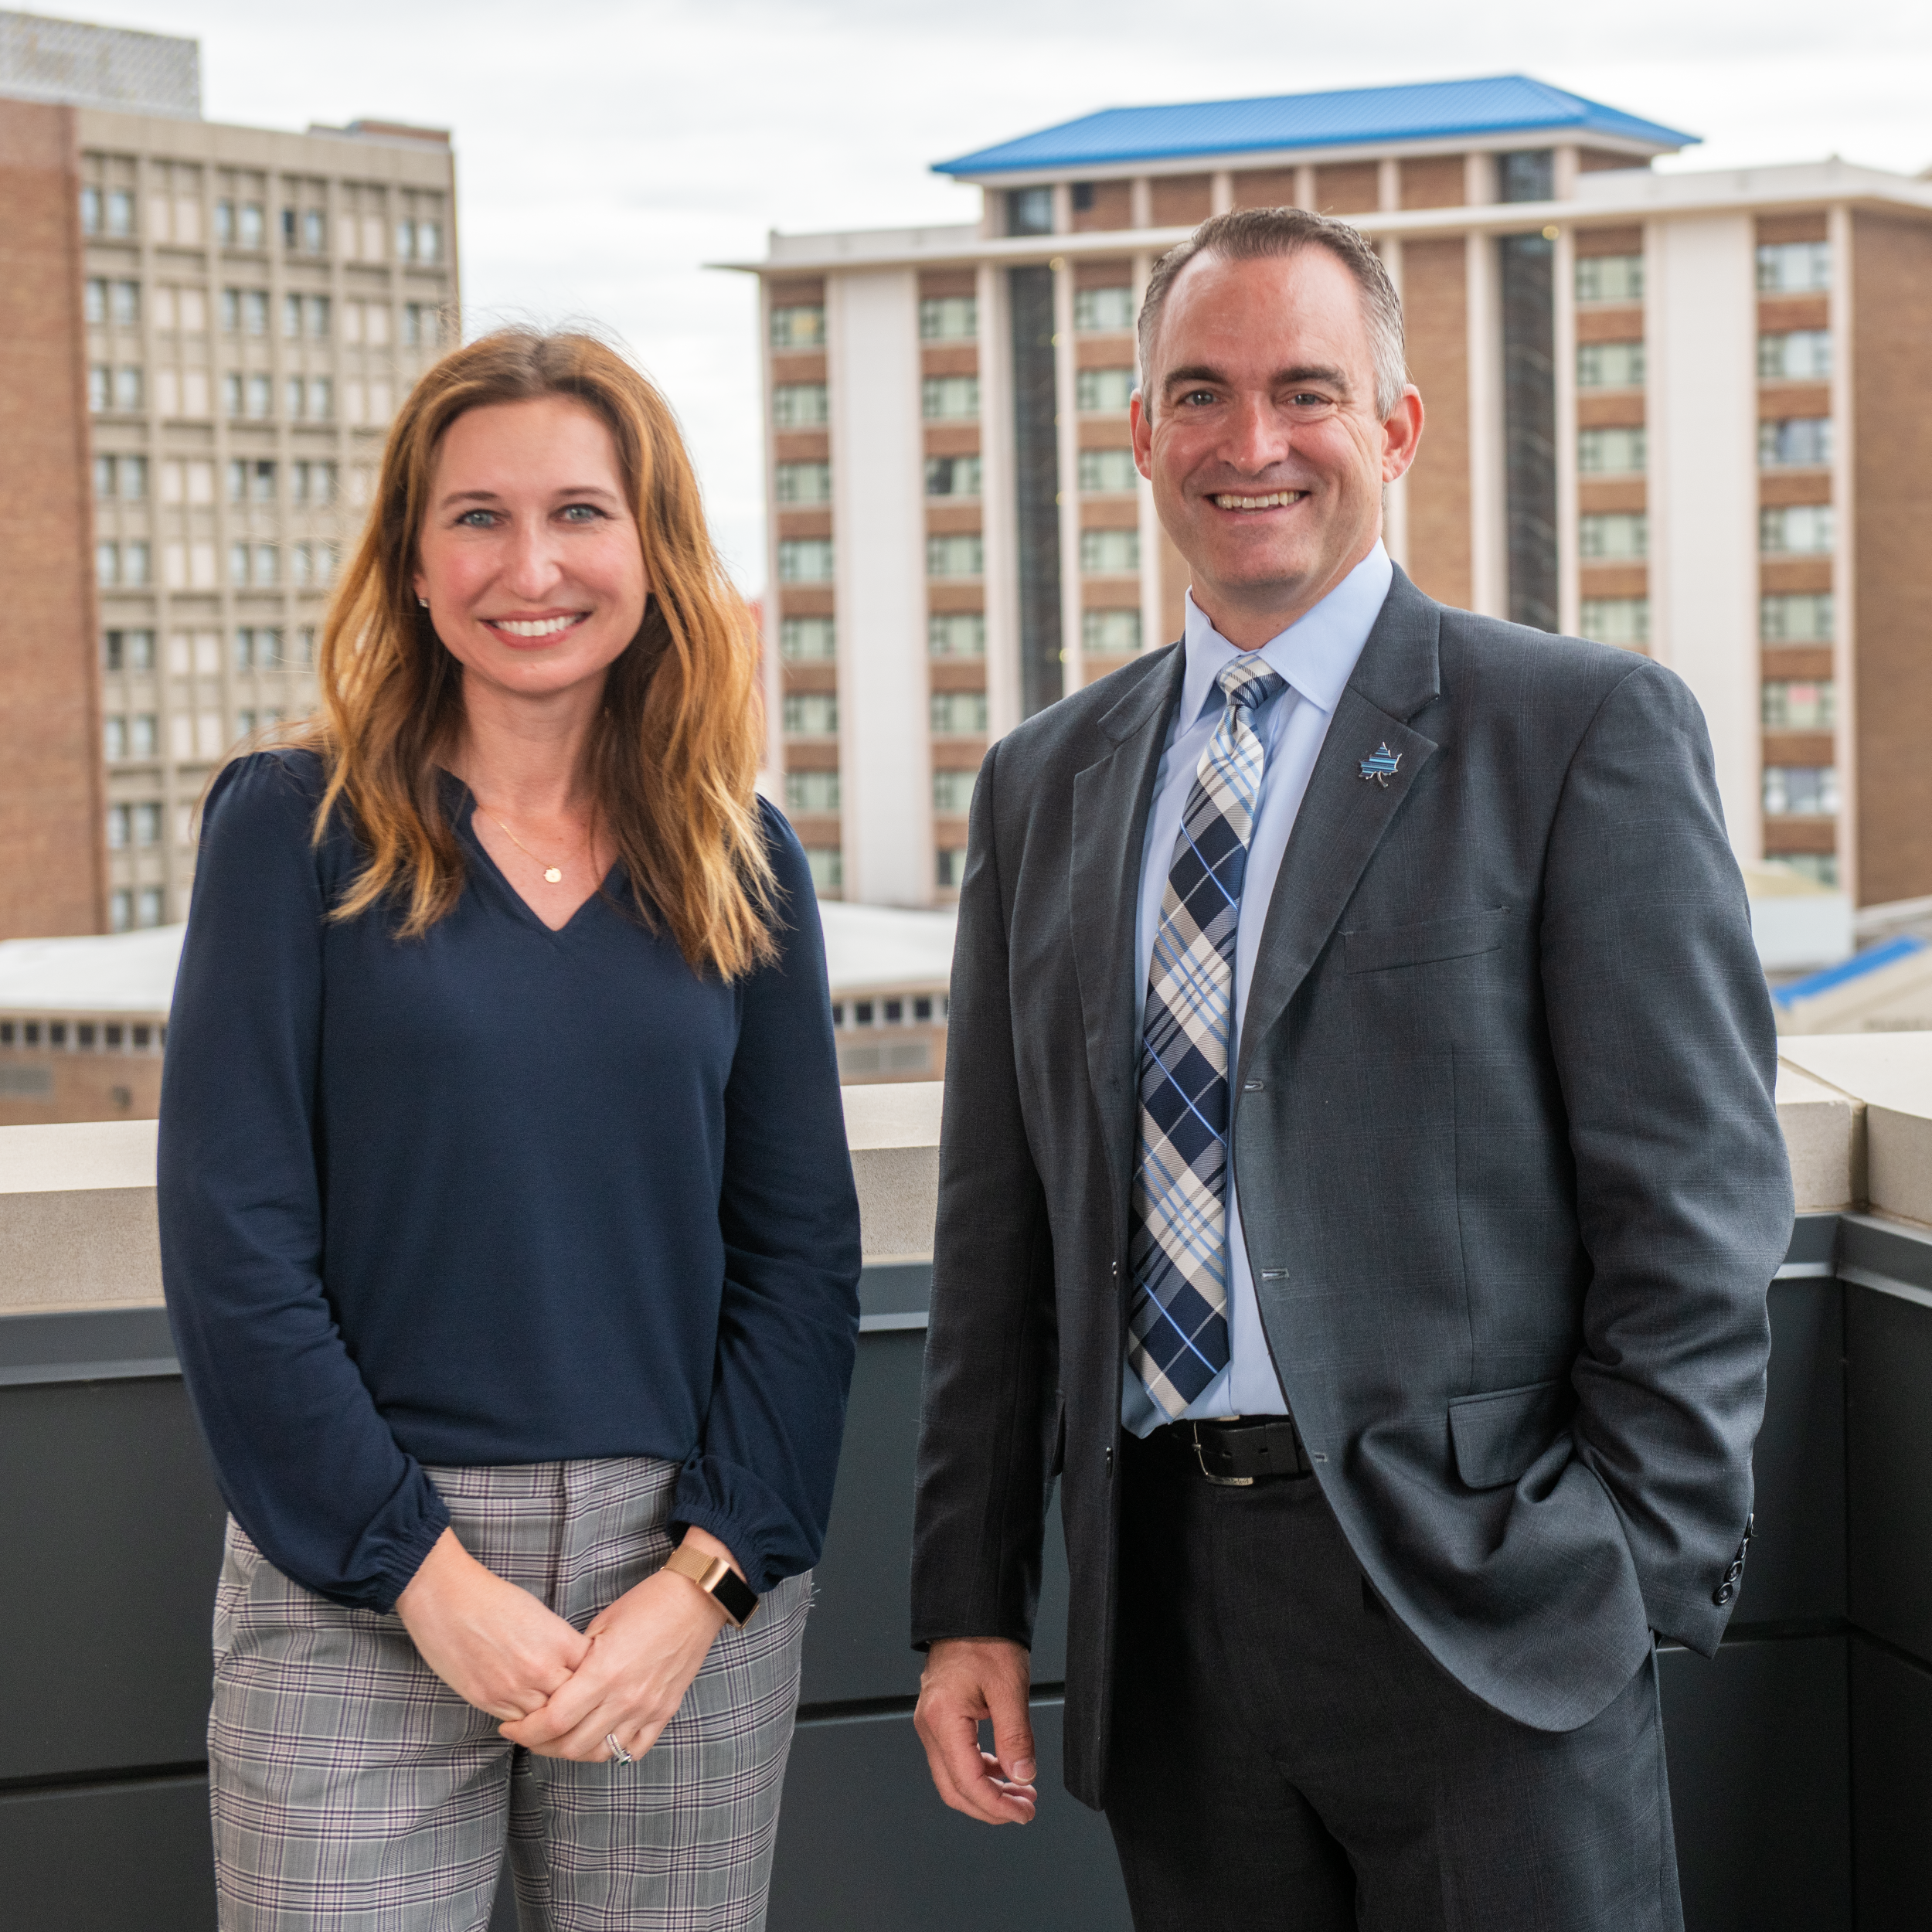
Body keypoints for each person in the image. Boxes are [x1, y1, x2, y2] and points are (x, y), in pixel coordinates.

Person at [909, 208, 1791, 1930]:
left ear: (1389, 427)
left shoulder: (1575, 731)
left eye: (1303, 392)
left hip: (1485, 1609)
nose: (1250, 444)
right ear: (1141, 433)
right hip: (1164, 1615)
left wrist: (1616, 1576)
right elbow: (994, 1233)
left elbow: (1691, 1200)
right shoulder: (1042, 783)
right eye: (1199, 395)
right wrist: (972, 1598)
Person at [159, 328, 862, 1932]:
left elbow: (803, 1255)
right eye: (475, 516)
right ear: (411, 561)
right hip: (360, 1567)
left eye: (578, 513)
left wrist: (704, 1583)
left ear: (650, 549)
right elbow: (232, 1247)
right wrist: (422, 1572)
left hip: (677, 1580)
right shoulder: (291, 828)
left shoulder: (737, 855)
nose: (528, 564)